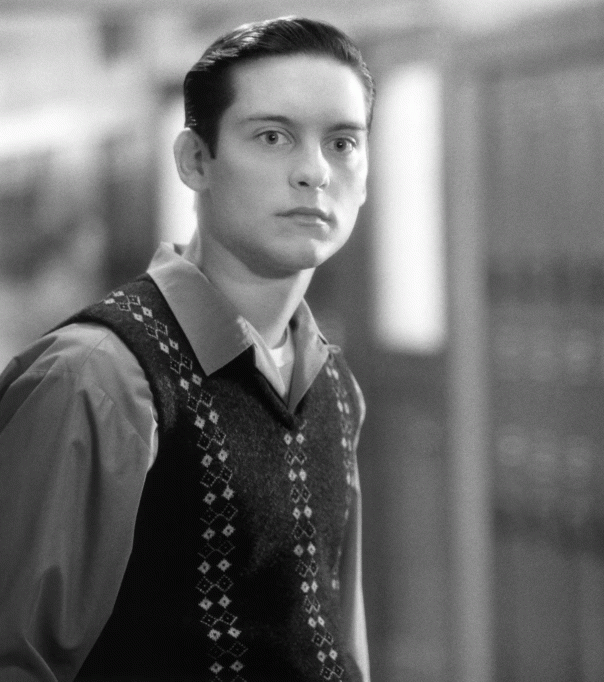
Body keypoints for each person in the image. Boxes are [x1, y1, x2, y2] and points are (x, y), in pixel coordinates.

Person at [0, 16, 373, 681]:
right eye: (273, 136)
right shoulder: (97, 378)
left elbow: (338, 643)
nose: (315, 172)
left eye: (342, 142)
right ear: (195, 161)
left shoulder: (335, 385)